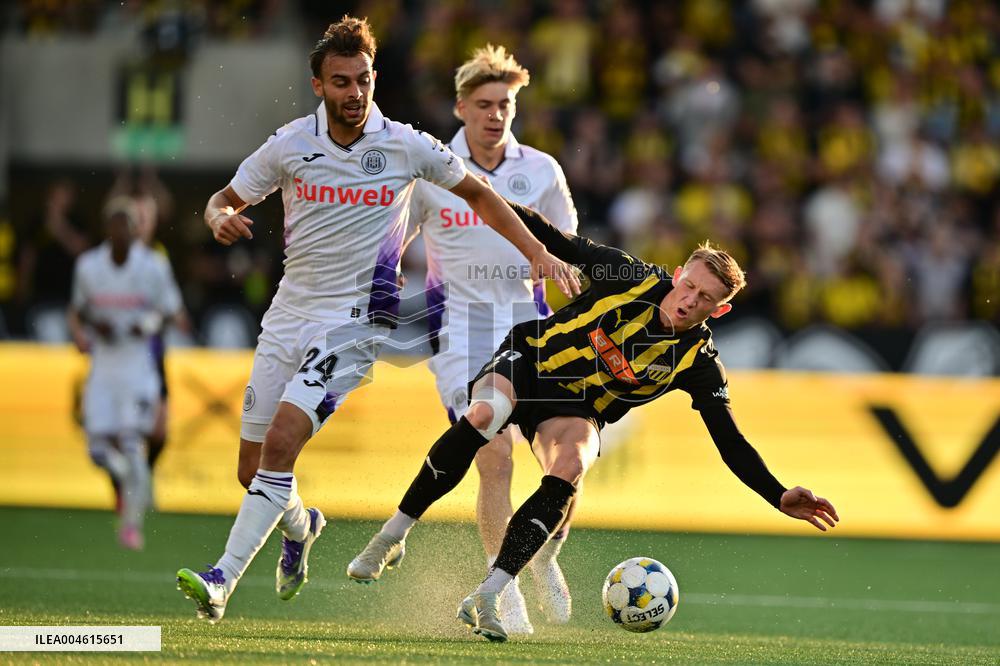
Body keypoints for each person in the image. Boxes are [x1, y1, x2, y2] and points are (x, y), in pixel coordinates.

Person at [174, 16, 579, 623]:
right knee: (253, 468)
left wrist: (539, 253)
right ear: (319, 85)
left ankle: (222, 579)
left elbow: (482, 197)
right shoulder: (290, 144)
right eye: (341, 81)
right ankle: (301, 524)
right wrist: (216, 217)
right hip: (292, 312)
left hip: (359, 321)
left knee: (284, 442)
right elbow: (224, 198)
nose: (355, 92)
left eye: (363, 79)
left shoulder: (408, 145)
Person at [348, 203, 839, 642]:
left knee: (572, 464)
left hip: (575, 409)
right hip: (530, 360)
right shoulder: (627, 274)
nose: (690, 300)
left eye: (705, 298)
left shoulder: (699, 363)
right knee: (485, 414)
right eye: (688, 285)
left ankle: (491, 592)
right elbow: (552, 236)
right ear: (676, 275)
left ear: (720, 309)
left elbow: (729, 440)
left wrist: (777, 494)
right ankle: (392, 535)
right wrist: (476, 192)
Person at [400, 45, 579, 634]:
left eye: (505, 104)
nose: (496, 114)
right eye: (484, 104)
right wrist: (380, 282)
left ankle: (545, 554)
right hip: (461, 334)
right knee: (494, 456)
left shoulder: (542, 171)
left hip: (530, 327)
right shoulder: (433, 169)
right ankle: (503, 590)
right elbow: (392, 241)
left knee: (566, 456)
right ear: (461, 107)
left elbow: (568, 250)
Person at [67, 198, 183, 550]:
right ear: (107, 229)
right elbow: (79, 309)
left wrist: (145, 324)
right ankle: (131, 483)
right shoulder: (89, 266)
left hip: (138, 366)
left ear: (135, 230)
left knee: (133, 442)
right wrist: (92, 325)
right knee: (97, 448)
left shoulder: (152, 265)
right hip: (103, 365)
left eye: (126, 226)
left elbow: (170, 310)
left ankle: (131, 526)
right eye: (114, 226)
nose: (120, 233)